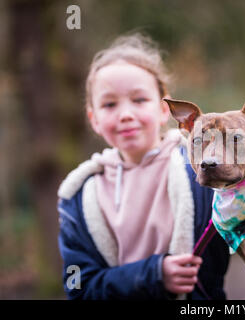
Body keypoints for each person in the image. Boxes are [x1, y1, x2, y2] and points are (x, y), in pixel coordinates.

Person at [57, 34, 229, 300]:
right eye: (110, 104)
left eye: (139, 100)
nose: (125, 114)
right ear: (94, 119)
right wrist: (154, 274)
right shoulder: (78, 198)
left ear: (164, 110)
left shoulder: (202, 171)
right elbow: (79, 288)